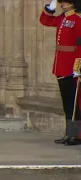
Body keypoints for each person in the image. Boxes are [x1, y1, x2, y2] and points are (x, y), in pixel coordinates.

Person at [39, 0, 81, 145]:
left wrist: (78, 67)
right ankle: (69, 133)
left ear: (73, 4)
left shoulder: (77, 20)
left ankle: (76, 135)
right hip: (61, 65)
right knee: (66, 102)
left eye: (65, 2)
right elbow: (45, 21)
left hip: (71, 66)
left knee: (74, 103)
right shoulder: (62, 18)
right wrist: (49, 10)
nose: (62, 4)